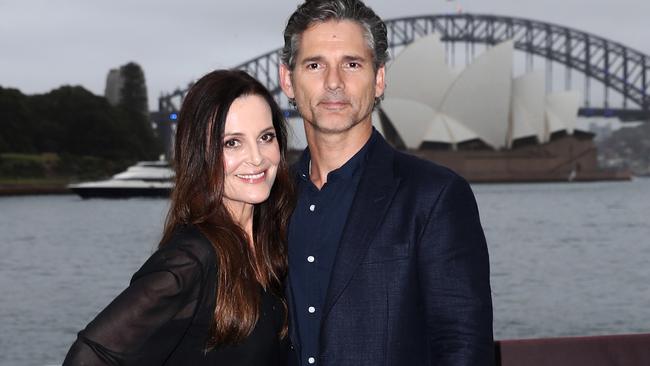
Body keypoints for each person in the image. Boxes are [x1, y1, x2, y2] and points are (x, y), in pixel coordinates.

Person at [278, 1, 494, 365]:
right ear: (288, 80)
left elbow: (463, 348)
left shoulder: (435, 197)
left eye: (352, 64)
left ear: (378, 79)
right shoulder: (268, 199)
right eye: (315, 65)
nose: (334, 82)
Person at [63, 69, 294, 365]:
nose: (257, 157)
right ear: (200, 152)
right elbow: (87, 358)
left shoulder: (270, 244)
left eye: (266, 137)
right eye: (232, 143)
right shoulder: (193, 258)